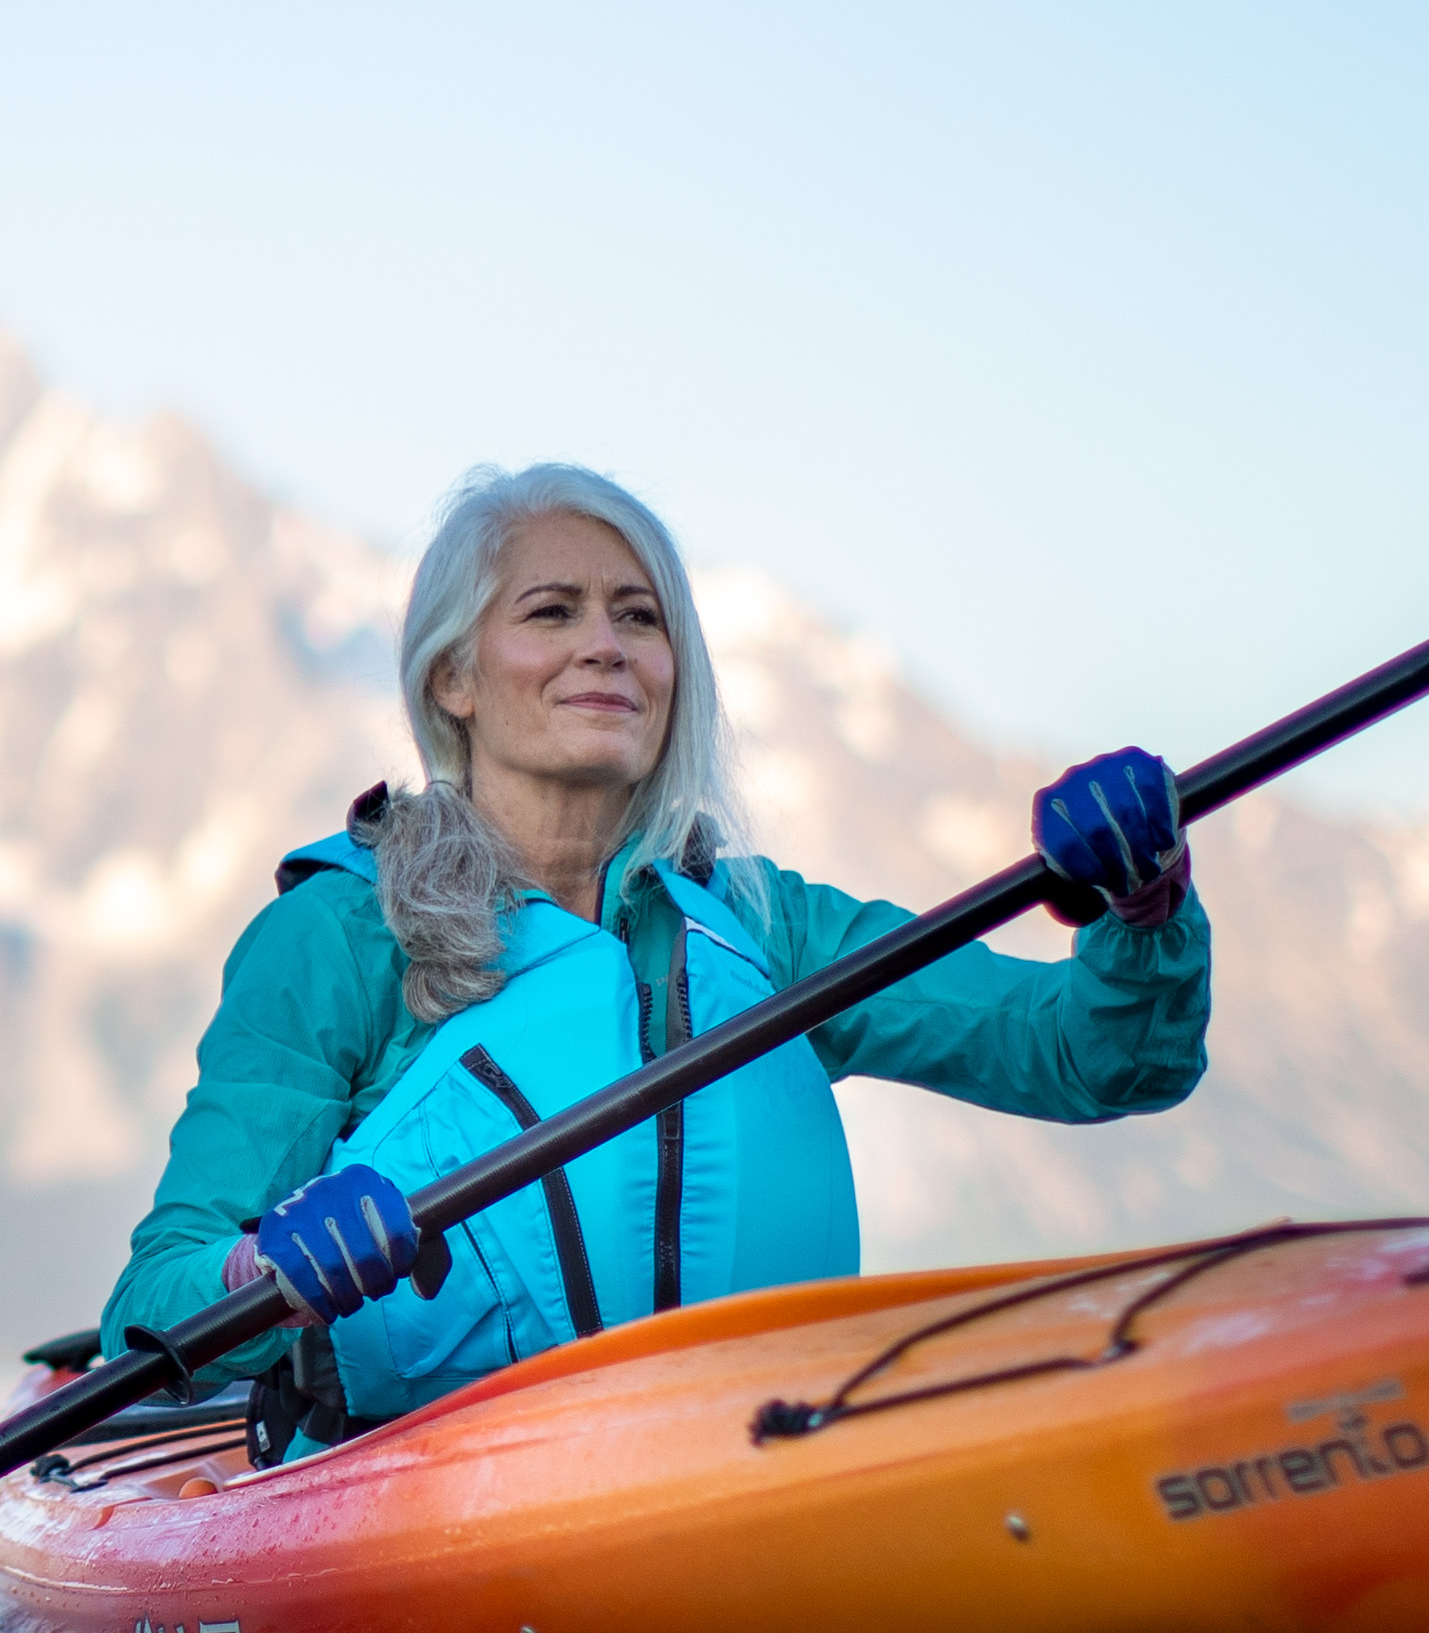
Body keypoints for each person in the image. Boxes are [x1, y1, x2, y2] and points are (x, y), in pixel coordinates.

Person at [106, 462, 1211, 1445]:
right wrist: (268, 1275)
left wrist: (1144, 899)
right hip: (424, 1485)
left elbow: (1094, 1057)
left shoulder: (762, 928)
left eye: (640, 618)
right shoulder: (339, 935)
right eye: (553, 611)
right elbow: (156, 1295)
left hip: (740, 1460)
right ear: (454, 680)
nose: (608, 645)